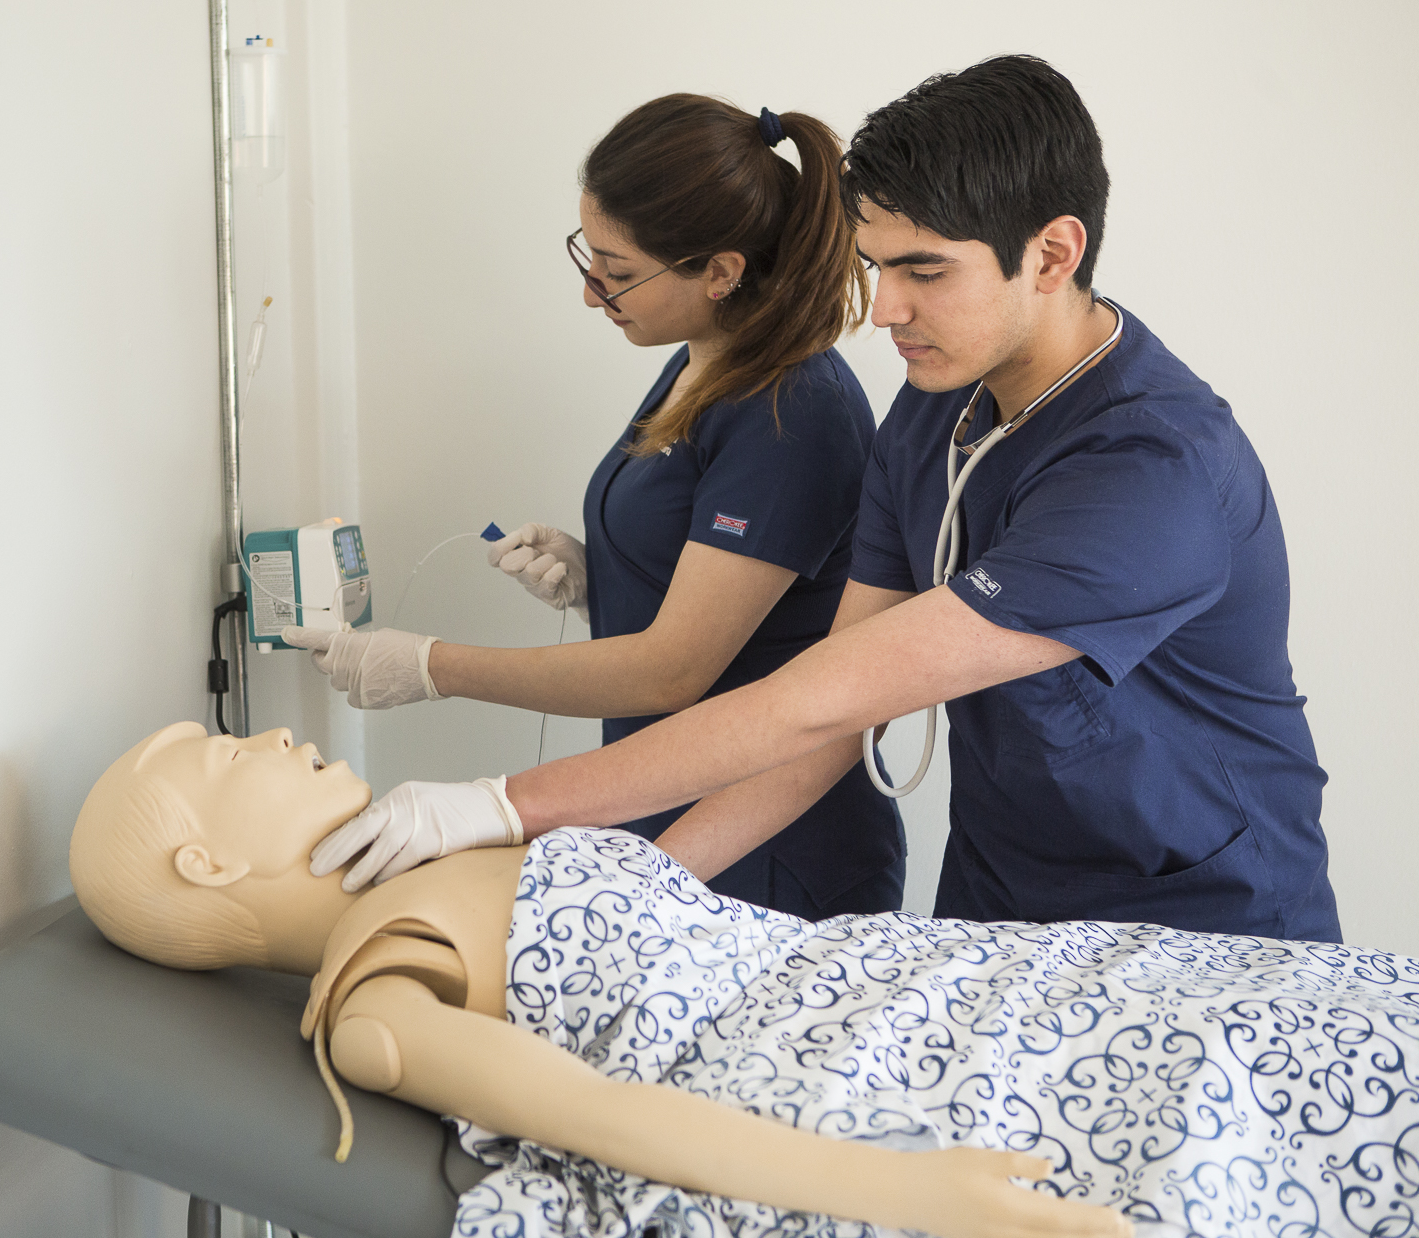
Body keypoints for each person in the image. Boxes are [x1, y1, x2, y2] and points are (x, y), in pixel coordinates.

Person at [311, 56, 1338, 944]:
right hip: (1003, 900)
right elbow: (830, 715)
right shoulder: (935, 418)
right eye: (876, 266)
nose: (885, 310)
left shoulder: (1155, 471)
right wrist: (654, 889)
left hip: (1198, 921)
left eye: (924, 271)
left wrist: (501, 805)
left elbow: (822, 697)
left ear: (1054, 253)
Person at [70, 723, 1419, 1238]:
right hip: (845, 1080)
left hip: (900, 978)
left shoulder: (444, 855)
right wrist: (916, 1191)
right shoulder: (380, 1004)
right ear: (203, 862)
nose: (284, 729)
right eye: (232, 750)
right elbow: (626, 1126)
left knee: (1289, 1012)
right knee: (1256, 1095)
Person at [283, 94, 903, 919]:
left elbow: (674, 669)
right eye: (588, 257)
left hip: (768, 855)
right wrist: (601, 576)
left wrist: (432, 666)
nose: (591, 293)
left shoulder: (794, 410)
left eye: (617, 272)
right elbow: (716, 583)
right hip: (655, 814)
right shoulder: (702, 360)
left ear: (721, 272)